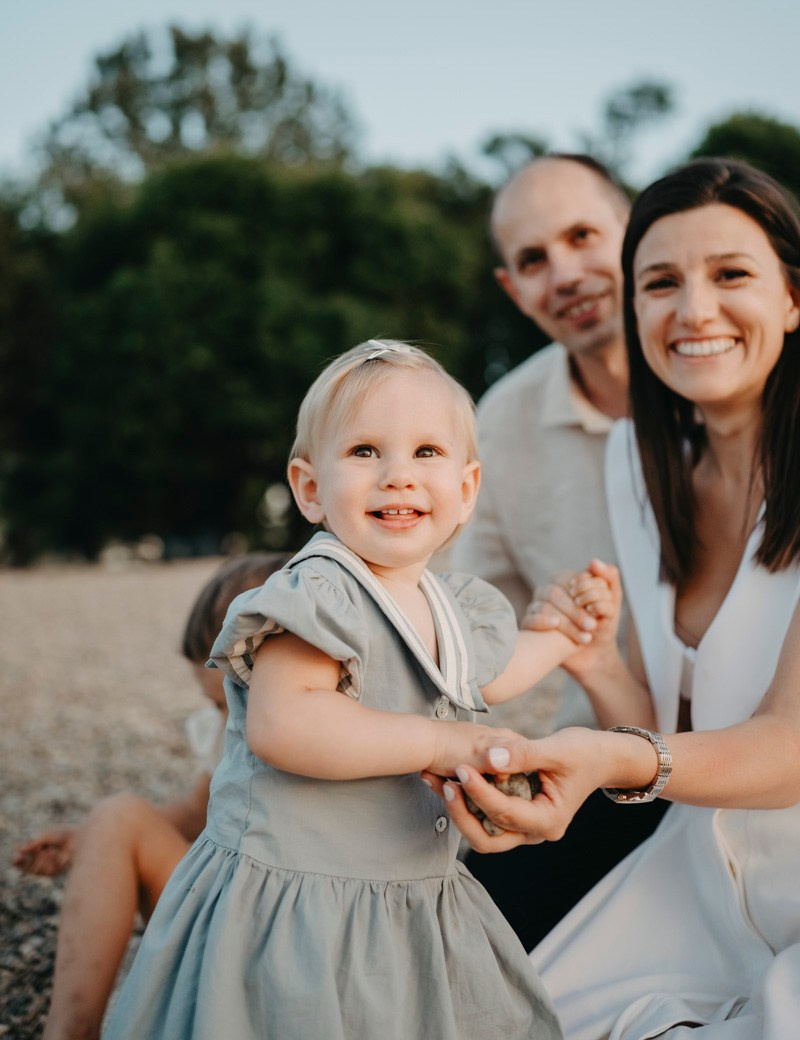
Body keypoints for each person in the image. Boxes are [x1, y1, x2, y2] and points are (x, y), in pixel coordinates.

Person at [103, 338, 618, 1040]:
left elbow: (490, 672)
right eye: (366, 452)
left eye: (426, 454)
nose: (398, 476)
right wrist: (443, 739)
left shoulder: (447, 604)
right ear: (310, 488)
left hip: (408, 897)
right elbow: (287, 724)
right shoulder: (317, 593)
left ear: (467, 490)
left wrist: (562, 634)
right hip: (296, 902)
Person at [442, 158, 800, 1038]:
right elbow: (653, 716)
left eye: (731, 276)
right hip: (694, 868)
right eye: (663, 283)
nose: (694, 312)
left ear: (794, 297)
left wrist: (609, 763)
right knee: (472, 1008)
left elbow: (792, 743)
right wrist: (596, 662)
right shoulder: (640, 470)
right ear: (634, 308)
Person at [453, 154, 667, 948]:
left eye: (584, 236)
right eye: (535, 260)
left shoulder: (726, 379)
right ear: (512, 288)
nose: (567, 273)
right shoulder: (502, 424)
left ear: (636, 233)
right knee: (455, 931)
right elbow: (467, 635)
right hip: (607, 765)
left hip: (761, 746)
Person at [15, 552, 288, 1040]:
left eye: (234, 704)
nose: (229, 722)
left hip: (284, 942)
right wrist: (89, 842)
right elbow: (189, 816)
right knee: (116, 820)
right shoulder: (227, 739)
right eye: (214, 706)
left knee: (120, 818)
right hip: (236, 925)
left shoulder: (335, 749)